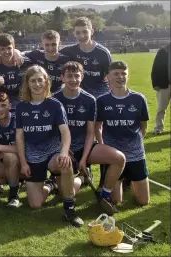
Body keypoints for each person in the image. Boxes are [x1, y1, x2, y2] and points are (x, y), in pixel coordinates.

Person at [15, 65, 83, 227]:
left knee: (65, 164)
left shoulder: (54, 105)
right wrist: (23, 162)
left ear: (46, 82)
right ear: (27, 83)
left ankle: (69, 209)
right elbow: (19, 137)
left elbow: (65, 132)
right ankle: (51, 185)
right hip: (33, 156)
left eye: (40, 80)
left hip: (53, 153)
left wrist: (64, 153)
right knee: (35, 204)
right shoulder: (21, 107)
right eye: (33, 81)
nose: (37, 84)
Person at [53, 61, 125, 215]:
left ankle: (104, 195)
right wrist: (64, 150)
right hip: (64, 149)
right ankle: (80, 178)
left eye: (76, 76)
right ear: (62, 78)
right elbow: (53, 132)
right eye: (69, 76)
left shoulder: (89, 100)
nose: (73, 79)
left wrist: (84, 158)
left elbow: (90, 133)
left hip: (85, 146)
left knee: (119, 158)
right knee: (66, 193)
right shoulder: (54, 99)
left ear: (82, 76)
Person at [59, 16, 113, 190]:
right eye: (78, 32)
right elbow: (46, 53)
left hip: (98, 97)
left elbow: (109, 79)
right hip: (78, 96)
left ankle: (107, 177)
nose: (81, 35)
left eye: (85, 31)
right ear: (74, 33)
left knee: (100, 136)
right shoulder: (69, 51)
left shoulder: (103, 53)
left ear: (92, 31)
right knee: (79, 131)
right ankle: (83, 170)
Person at [96, 61, 150, 207]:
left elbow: (143, 126)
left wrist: (136, 143)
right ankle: (118, 181)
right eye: (116, 74)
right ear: (108, 77)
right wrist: (103, 146)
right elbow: (98, 126)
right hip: (114, 155)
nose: (120, 77)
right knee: (115, 201)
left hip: (136, 153)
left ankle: (129, 179)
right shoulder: (102, 101)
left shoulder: (139, 99)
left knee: (143, 201)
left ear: (128, 76)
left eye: (123, 73)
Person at [0, 33, 32, 113]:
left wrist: (18, 52)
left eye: (9, 48)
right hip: (4, 109)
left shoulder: (25, 62)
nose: (6, 52)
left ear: (14, 48)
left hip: (24, 106)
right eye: (2, 49)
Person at [151, 43, 170, 135]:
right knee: (161, 108)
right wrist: (155, 83)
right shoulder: (163, 51)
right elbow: (155, 68)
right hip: (164, 84)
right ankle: (159, 127)